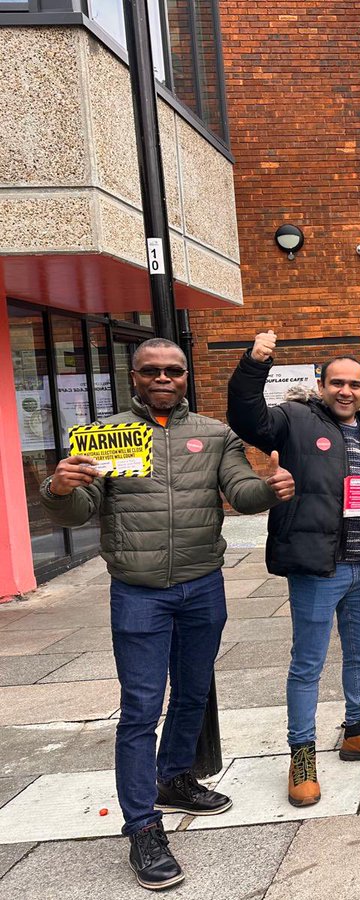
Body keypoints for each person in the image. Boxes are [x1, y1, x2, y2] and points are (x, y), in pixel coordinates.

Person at [40, 338, 294, 890]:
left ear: (186, 376)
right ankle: (142, 827)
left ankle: (174, 778)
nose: (163, 378)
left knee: (195, 691)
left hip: (202, 585)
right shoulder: (104, 435)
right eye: (151, 371)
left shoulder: (213, 432)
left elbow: (240, 491)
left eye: (173, 370)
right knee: (139, 709)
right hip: (138, 592)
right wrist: (58, 489)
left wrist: (271, 489)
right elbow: (83, 507)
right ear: (133, 377)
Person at [228, 330, 360, 809]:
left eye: (355, 384)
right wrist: (255, 362)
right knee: (307, 664)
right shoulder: (292, 419)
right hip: (317, 567)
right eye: (337, 382)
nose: (346, 391)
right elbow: (246, 416)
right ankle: (302, 752)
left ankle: (357, 731)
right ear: (321, 383)